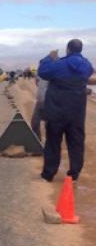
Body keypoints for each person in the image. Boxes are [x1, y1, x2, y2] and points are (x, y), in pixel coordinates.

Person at [38, 39, 94, 182]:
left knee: (53, 143)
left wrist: (49, 57)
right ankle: (74, 174)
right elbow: (89, 71)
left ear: (68, 49)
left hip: (56, 111)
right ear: (80, 50)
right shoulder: (86, 66)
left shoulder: (58, 65)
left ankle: (48, 174)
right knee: (76, 143)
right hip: (76, 113)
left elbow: (43, 72)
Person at [30, 75, 48, 140]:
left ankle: (50, 145)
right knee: (34, 123)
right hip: (39, 102)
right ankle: (38, 141)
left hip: (50, 103)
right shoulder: (40, 73)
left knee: (49, 126)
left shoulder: (54, 72)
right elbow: (37, 82)